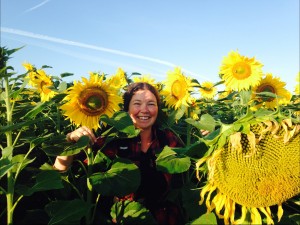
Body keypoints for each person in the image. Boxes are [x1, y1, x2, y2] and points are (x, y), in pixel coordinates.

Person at [54, 82, 186, 224]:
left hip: (163, 218)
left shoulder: (168, 139)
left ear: (158, 109)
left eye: (151, 104)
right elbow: (59, 171)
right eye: (137, 103)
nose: (144, 110)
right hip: (121, 218)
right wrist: (70, 142)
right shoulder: (112, 140)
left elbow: (191, 163)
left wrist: (207, 138)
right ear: (127, 109)